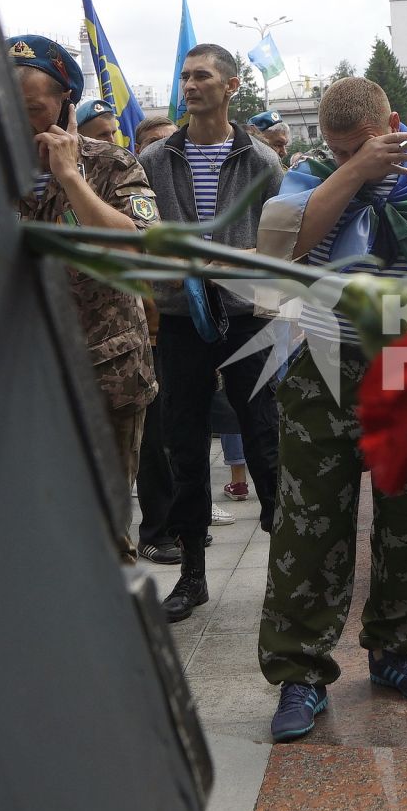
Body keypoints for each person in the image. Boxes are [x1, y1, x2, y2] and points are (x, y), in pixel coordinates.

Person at [253, 77, 407, 742]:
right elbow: (285, 249)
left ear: (394, 123)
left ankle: (396, 651)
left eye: (362, 142)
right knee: (308, 526)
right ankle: (300, 672)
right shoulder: (309, 175)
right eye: (337, 145)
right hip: (324, 369)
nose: (345, 153)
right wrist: (353, 169)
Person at [135, 44, 286, 622]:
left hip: (246, 316)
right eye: (185, 76)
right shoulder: (154, 159)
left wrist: (268, 308)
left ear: (231, 87)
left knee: (264, 437)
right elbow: (141, 232)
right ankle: (192, 574)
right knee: (185, 442)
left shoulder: (260, 162)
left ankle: (283, 571)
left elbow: (278, 245)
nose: (190, 85)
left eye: (202, 76)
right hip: (180, 320)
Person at [7, 36, 159, 563]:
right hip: (17, 376)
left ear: (65, 106)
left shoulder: (111, 166)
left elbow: (140, 242)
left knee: (101, 532)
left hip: (104, 373)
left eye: (31, 109)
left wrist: (70, 179)